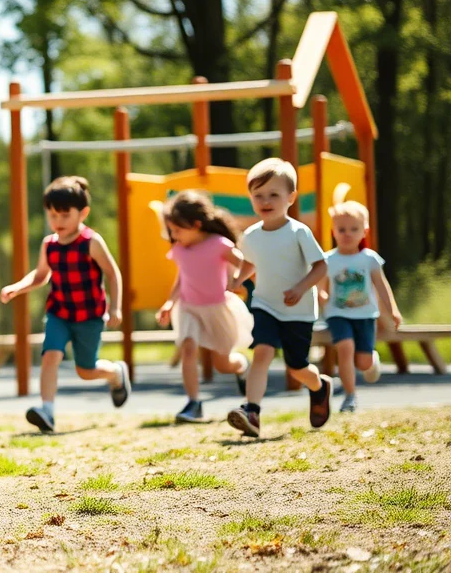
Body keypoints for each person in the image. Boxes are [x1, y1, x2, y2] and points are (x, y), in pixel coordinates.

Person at [0, 176, 129, 433]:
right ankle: (47, 411)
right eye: (52, 215)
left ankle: (115, 373)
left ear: (83, 213)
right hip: (59, 312)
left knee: (86, 370)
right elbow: (40, 276)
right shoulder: (49, 245)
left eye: (64, 215)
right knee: (50, 357)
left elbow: (113, 274)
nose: (57, 222)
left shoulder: (92, 242)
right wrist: (17, 287)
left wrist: (115, 307)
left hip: (89, 316)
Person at [227, 158, 330, 437]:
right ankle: (252, 412)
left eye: (274, 194)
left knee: (296, 367)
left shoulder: (298, 232)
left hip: (299, 311)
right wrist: (237, 279)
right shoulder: (250, 235)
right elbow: (250, 262)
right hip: (265, 304)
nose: (266, 200)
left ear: (290, 197)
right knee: (262, 353)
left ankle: (320, 386)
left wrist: (300, 287)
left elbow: (321, 265)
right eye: (258, 195)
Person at [154, 190, 252, 424]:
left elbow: (246, 264)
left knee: (223, 364)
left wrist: (236, 280)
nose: (174, 236)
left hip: (217, 309)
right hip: (188, 307)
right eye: (171, 231)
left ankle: (242, 367)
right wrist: (170, 302)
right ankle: (193, 402)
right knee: (188, 348)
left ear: (196, 224)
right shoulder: (179, 248)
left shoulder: (219, 244)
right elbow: (182, 277)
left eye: (177, 230)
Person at [320, 200, 401, 413]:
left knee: (363, 363)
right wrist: (320, 294)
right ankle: (350, 396)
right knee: (345, 348)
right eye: (342, 229)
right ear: (333, 231)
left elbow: (382, 285)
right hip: (337, 314)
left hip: (365, 315)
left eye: (353, 229)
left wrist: (393, 309)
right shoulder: (328, 260)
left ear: (364, 231)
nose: (347, 233)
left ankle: (371, 360)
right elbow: (321, 286)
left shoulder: (369, 259)